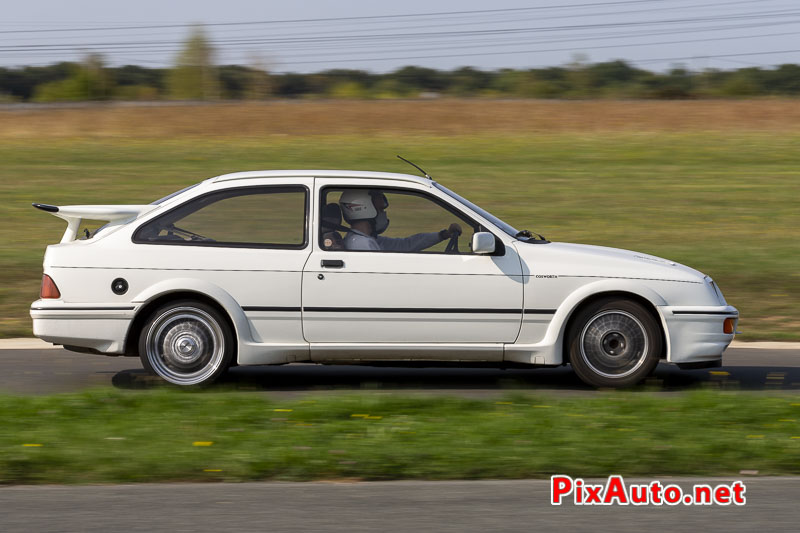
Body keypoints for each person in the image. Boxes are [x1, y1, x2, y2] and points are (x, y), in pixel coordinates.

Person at [338, 189, 462, 252]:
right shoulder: (362, 245)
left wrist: (443, 235)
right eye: (380, 210)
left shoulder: (366, 239)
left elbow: (406, 244)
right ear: (364, 208)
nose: (384, 214)